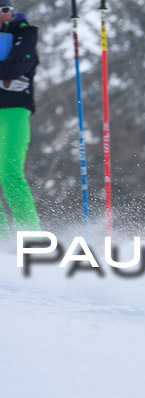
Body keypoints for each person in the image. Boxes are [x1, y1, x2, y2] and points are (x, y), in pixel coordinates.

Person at [0, 0, 40, 238]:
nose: (1, 16)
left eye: (4, 10)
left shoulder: (24, 34)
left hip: (14, 110)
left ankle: (31, 237)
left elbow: (16, 66)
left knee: (9, 174)